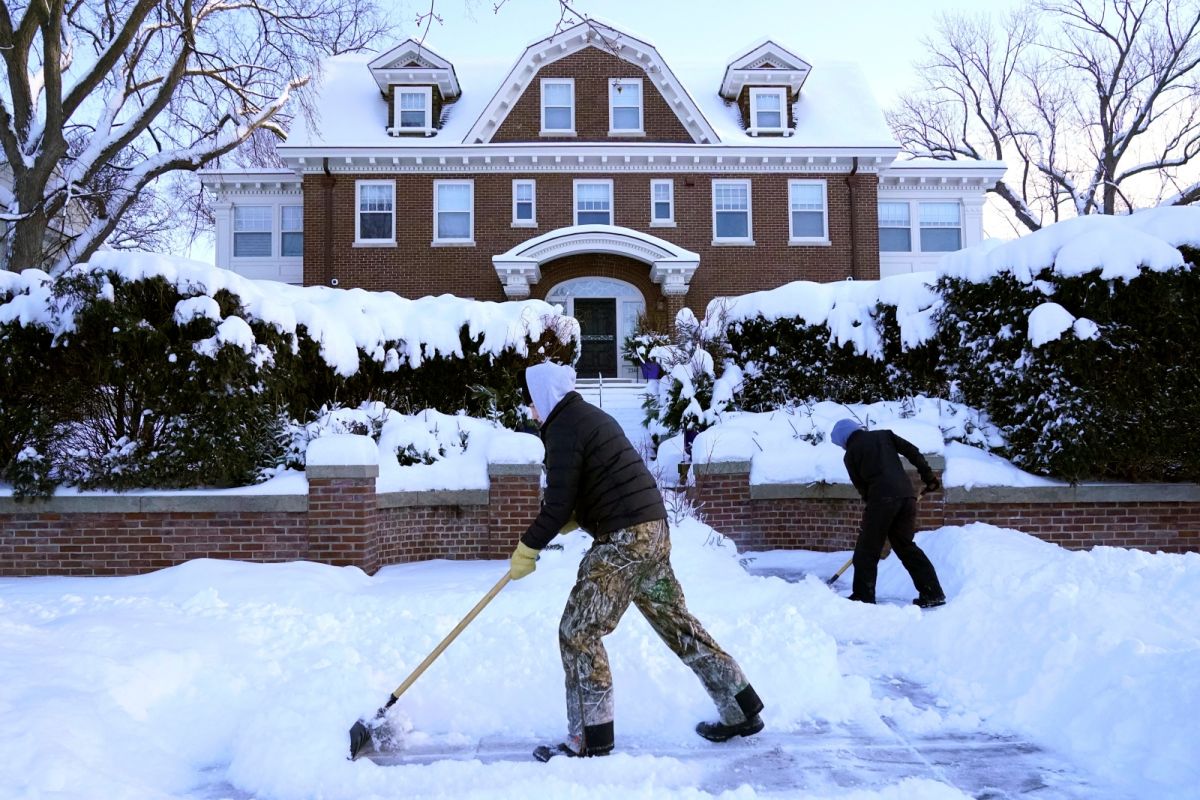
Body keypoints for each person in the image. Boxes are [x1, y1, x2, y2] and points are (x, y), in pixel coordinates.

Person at [509, 361, 764, 759]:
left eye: (531, 403)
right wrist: (571, 518)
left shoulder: (562, 427)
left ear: (544, 397)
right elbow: (596, 482)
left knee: (578, 631)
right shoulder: (587, 417)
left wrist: (528, 547)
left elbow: (558, 503)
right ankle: (741, 706)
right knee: (677, 624)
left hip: (625, 541)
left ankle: (590, 738)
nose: (530, 412)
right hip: (653, 532)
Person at [830, 418, 946, 609]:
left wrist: (873, 514)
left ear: (844, 439)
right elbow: (912, 451)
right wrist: (928, 477)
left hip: (881, 500)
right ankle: (932, 592)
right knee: (906, 547)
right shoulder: (885, 435)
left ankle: (863, 598)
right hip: (907, 497)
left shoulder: (850, 455)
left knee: (867, 550)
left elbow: (862, 487)